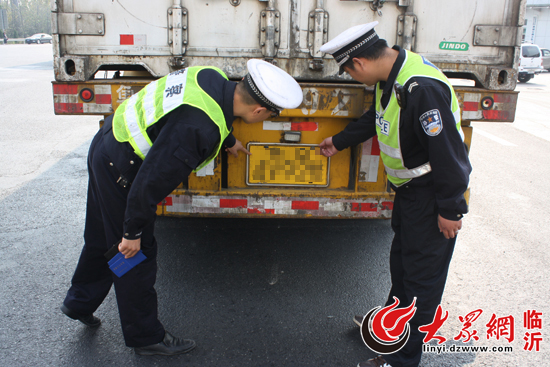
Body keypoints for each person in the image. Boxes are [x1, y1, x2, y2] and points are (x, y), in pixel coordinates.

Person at [60, 59, 303, 356]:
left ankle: (79, 302)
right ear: (259, 110)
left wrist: (227, 139)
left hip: (109, 141)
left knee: (101, 238)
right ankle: (145, 337)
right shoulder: (198, 129)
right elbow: (149, 183)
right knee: (133, 256)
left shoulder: (211, 76)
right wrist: (132, 231)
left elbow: (190, 111)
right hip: (123, 172)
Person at [318, 22, 471, 367]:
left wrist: (451, 208)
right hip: (410, 194)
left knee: (421, 282)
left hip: (431, 197)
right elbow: (378, 117)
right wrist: (340, 140)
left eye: (348, 72)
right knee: (402, 267)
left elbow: (450, 153)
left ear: (358, 63)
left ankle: (401, 360)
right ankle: (388, 330)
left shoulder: (422, 88)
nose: (353, 78)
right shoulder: (392, 78)